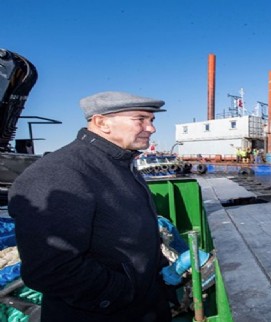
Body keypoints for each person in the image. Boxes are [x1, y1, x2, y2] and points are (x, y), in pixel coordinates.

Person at [8, 91, 203, 322]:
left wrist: (161, 274)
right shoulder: (58, 173)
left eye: (152, 120)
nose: (151, 128)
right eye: (140, 119)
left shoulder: (120, 164)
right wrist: (124, 292)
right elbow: (51, 269)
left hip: (144, 305)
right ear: (102, 122)